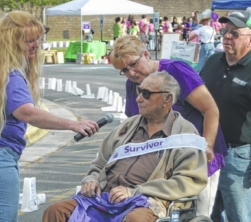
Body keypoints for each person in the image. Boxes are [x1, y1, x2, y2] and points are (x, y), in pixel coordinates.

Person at [0, 11, 99, 222]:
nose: (36, 44)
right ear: (11, 42)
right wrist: (73, 124)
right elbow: (27, 112)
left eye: (38, 39)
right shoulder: (11, 75)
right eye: (29, 40)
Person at [42, 71, 208, 222]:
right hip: (104, 197)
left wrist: (136, 191)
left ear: (167, 99)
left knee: (135, 220)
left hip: (145, 201)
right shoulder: (127, 127)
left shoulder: (185, 134)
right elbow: (100, 163)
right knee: (55, 211)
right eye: (139, 91)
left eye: (146, 94)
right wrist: (92, 180)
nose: (138, 98)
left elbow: (188, 181)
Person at [110, 35, 227, 217]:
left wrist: (207, 145)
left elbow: (210, 109)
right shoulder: (133, 85)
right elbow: (134, 124)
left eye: (133, 64)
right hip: (161, 162)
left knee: (198, 213)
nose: (131, 73)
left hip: (195, 155)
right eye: (124, 70)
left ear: (147, 55)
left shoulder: (175, 70)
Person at [199, 11, 251, 222]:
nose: (227, 36)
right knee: (208, 213)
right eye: (225, 31)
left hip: (239, 156)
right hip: (208, 151)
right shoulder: (214, 61)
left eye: (235, 33)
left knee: (240, 216)